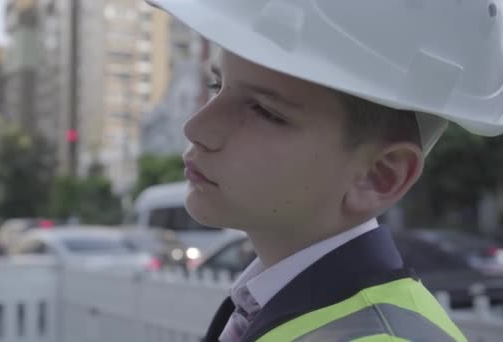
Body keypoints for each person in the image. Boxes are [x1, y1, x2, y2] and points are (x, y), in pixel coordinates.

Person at [147, 1, 503, 341]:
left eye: (265, 111)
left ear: (379, 175)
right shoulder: (276, 305)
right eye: (216, 85)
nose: (197, 127)